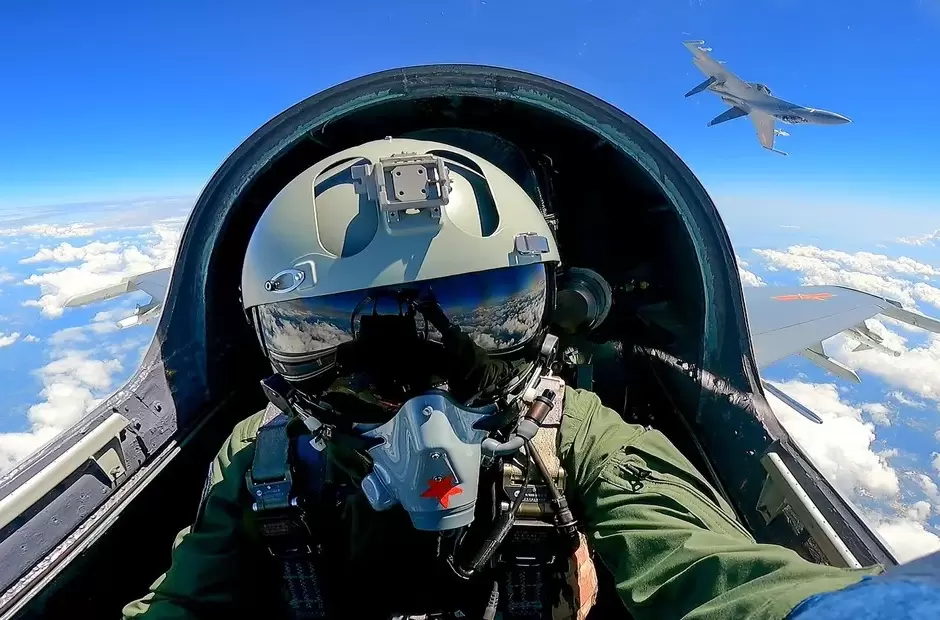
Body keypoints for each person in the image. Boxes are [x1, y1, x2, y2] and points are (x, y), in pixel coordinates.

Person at [123, 137, 882, 620]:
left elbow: (719, 575)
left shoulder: (576, 436)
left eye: (482, 315)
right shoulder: (262, 457)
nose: (423, 392)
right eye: (344, 335)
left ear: (549, 315)